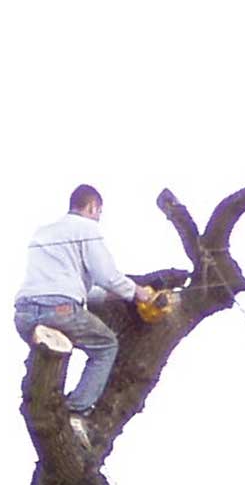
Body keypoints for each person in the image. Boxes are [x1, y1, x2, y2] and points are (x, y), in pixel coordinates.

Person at [14, 185, 152, 438]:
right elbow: (106, 275)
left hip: (24, 313)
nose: (98, 217)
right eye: (98, 212)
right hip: (59, 309)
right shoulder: (87, 229)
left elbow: (76, 287)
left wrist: (110, 294)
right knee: (106, 345)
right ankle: (76, 411)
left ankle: (45, 406)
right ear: (92, 207)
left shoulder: (43, 233)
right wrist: (137, 293)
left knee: (52, 355)